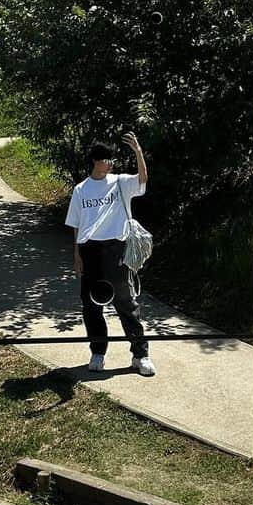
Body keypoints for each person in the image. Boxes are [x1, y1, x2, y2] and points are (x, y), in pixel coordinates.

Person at [65, 131, 155, 377]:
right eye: (107, 159)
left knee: (125, 302)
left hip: (116, 249)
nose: (111, 163)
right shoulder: (81, 190)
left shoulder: (119, 182)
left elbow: (142, 179)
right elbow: (76, 224)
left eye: (112, 160)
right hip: (89, 250)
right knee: (91, 305)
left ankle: (140, 355)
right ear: (96, 160)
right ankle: (98, 352)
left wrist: (138, 151)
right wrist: (77, 255)